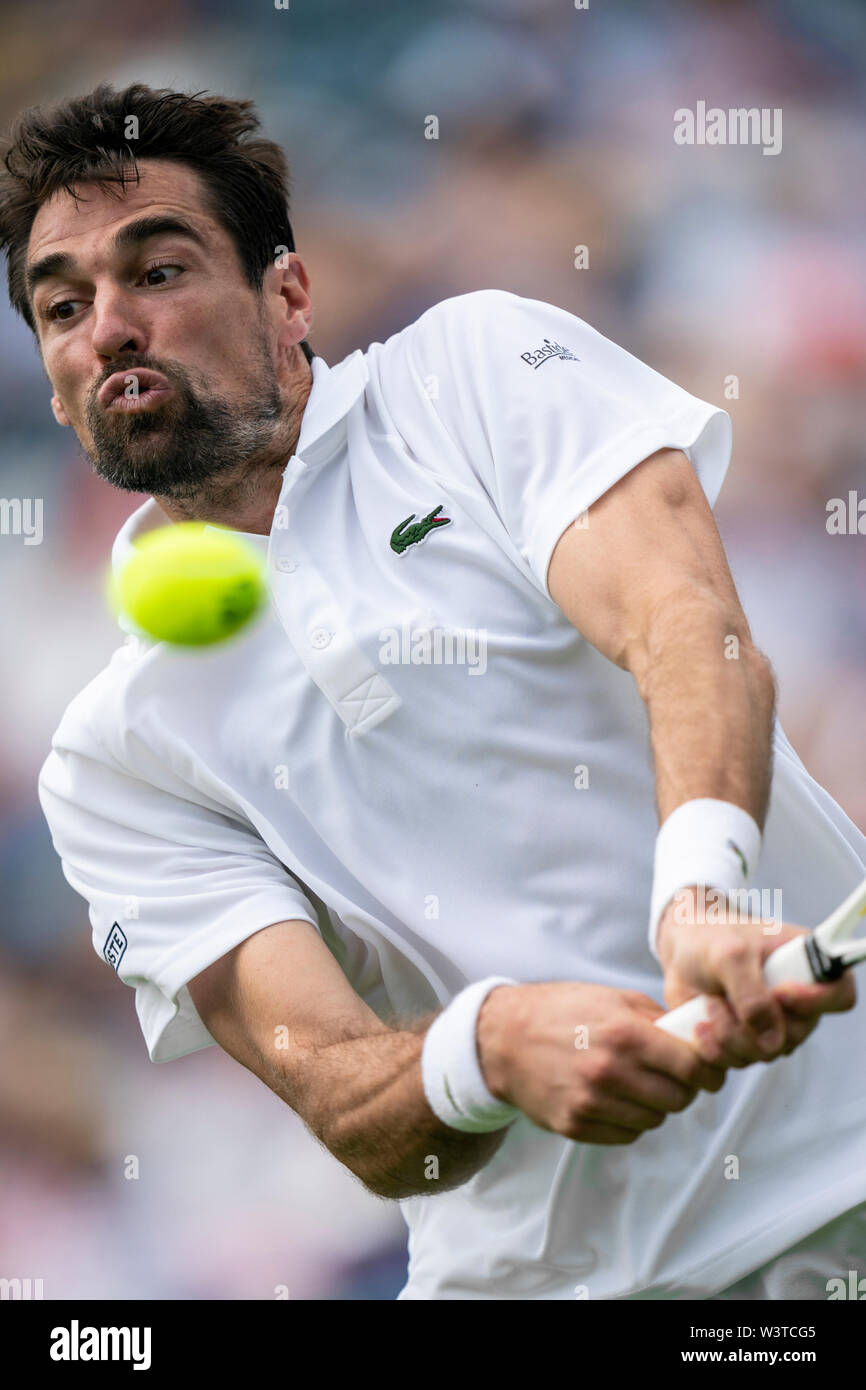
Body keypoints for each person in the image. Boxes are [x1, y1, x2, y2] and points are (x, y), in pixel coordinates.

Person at [5, 82, 865, 1301]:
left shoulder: (474, 368)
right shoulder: (108, 762)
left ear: (288, 295)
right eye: (62, 304)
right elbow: (341, 1089)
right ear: (50, 378)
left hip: (847, 1184)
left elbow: (684, 625)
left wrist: (698, 897)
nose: (110, 326)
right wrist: (490, 1050)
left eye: (158, 269)